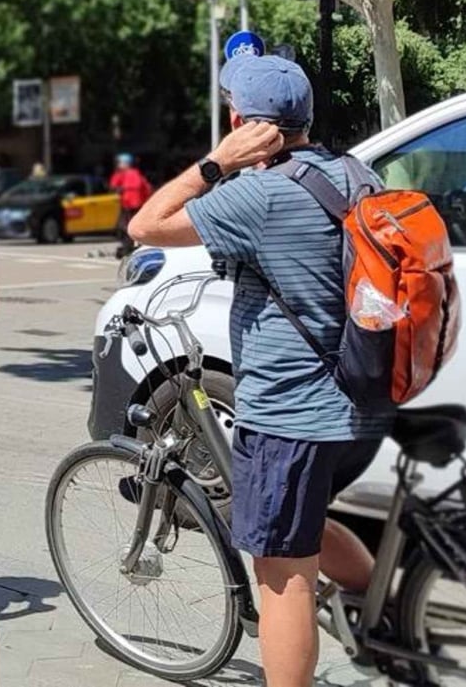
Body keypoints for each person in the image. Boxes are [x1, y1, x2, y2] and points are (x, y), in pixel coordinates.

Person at [128, 53, 391, 687]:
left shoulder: (256, 194)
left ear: (240, 122)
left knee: (281, 572)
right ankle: (382, 612)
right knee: (308, 520)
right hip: (364, 403)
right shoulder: (358, 174)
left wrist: (216, 162)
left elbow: (145, 224)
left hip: (290, 416)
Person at [109, 152, 153, 258]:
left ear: (125, 163)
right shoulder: (137, 174)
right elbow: (147, 189)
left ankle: (128, 248)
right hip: (137, 205)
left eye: (120, 163)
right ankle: (134, 246)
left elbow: (113, 186)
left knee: (123, 227)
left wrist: (121, 189)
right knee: (133, 226)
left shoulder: (122, 174)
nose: (118, 165)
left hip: (128, 204)